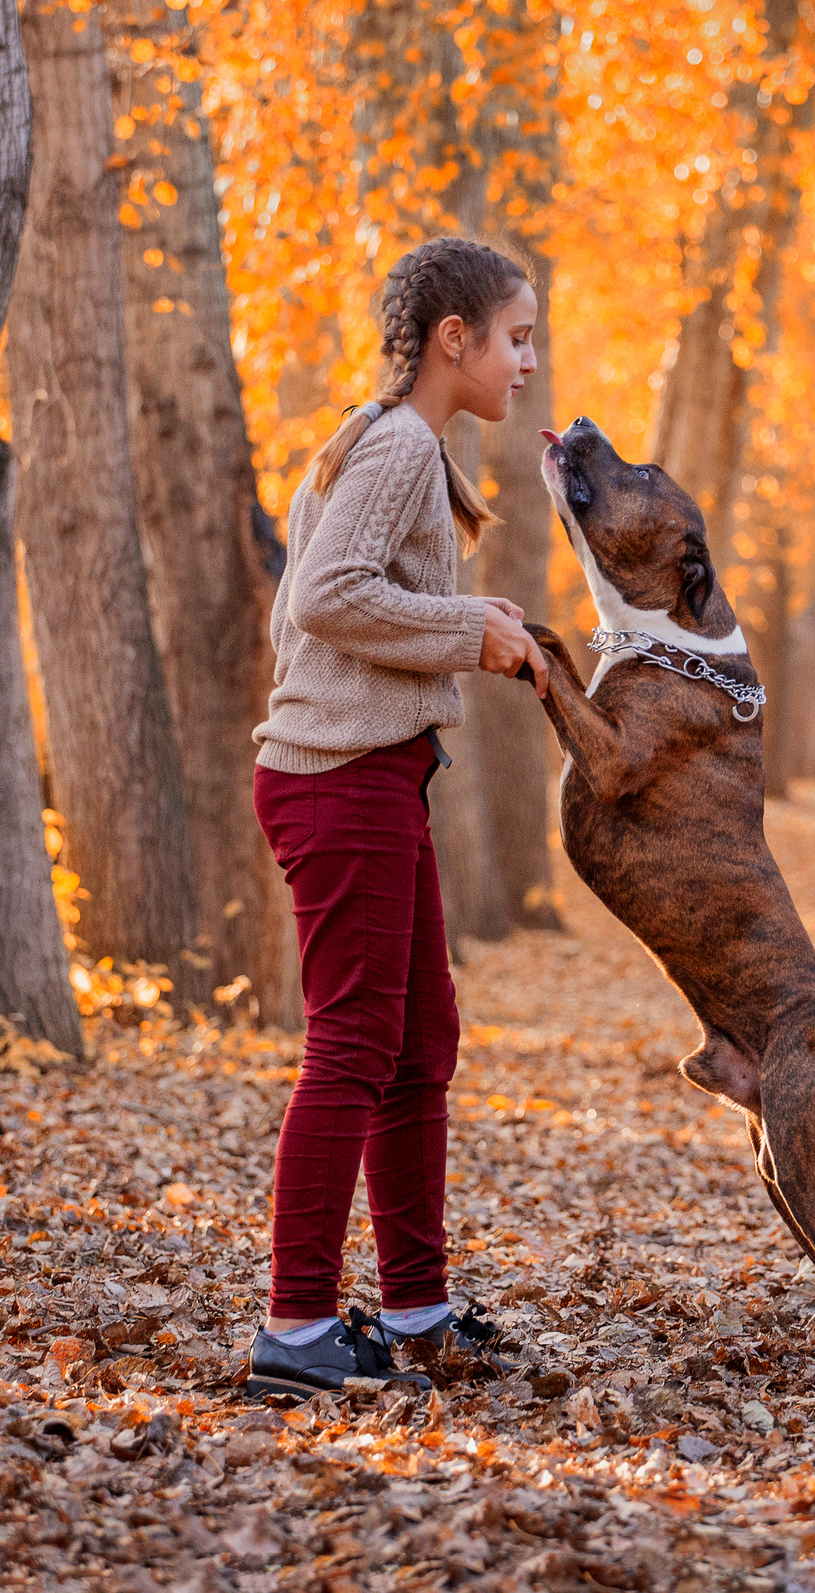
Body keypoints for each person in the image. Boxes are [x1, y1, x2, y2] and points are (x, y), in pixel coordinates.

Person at [244, 236, 551, 1401]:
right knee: (355, 1046)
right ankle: (297, 1326)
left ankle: (415, 1301)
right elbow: (327, 596)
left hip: (369, 773)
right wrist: (467, 631)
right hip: (339, 778)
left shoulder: (394, 445)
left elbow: (354, 596)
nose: (525, 363)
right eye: (514, 339)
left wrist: (472, 614)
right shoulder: (399, 443)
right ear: (452, 339)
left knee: (422, 1041)